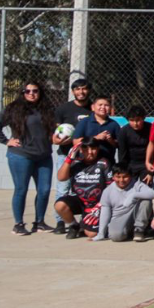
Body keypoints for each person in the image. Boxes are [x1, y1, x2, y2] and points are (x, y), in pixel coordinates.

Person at [0, 81, 56, 235]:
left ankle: (39, 222)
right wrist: (6, 141)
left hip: (44, 156)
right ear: (23, 93)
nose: (31, 94)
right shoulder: (14, 109)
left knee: (44, 190)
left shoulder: (47, 109)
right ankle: (18, 224)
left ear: (40, 92)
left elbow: (53, 129)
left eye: (35, 91)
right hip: (21, 156)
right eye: (27, 91)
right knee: (21, 189)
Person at [50, 78, 93, 233]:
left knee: (81, 189)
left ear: (89, 90)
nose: (81, 92)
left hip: (85, 156)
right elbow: (55, 134)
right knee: (63, 188)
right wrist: (56, 140)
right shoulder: (63, 109)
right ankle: (60, 222)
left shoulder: (94, 108)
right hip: (66, 155)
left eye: (84, 89)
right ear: (73, 91)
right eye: (77, 89)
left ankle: (83, 222)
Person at [54, 143, 111, 240]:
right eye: (86, 150)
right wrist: (69, 159)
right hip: (81, 201)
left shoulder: (103, 163)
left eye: (93, 149)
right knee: (59, 205)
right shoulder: (76, 163)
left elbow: (110, 187)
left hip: (97, 203)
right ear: (81, 150)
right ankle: (74, 226)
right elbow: (61, 177)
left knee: (91, 234)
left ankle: (84, 225)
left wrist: (100, 205)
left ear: (97, 149)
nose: (90, 152)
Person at [92, 165, 154, 242]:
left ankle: (139, 230)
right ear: (113, 177)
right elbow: (105, 213)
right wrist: (101, 233)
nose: (121, 180)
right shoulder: (107, 191)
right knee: (116, 237)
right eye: (118, 177)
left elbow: (153, 194)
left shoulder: (136, 184)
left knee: (146, 200)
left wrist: (133, 195)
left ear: (131, 176)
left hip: (135, 213)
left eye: (125, 177)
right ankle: (130, 231)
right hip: (119, 217)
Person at [72, 95, 117, 159]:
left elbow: (119, 145)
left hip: (107, 161)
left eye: (106, 105)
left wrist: (110, 140)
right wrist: (96, 137)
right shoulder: (84, 122)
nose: (103, 107)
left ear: (110, 108)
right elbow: (75, 142)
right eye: (100, 105)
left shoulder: (114, 124)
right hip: (86, 161)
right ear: (93, 107)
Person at [117, 106, 152, 182]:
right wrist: (123, 170)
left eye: (138, 120)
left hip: (146, 164)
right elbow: (122, 152)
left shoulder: (151, 128)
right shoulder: (124, 131)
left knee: (146, 189)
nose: (135, 123)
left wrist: (150, 172)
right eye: (131, 120)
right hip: (130, 164)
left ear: (143, 118)